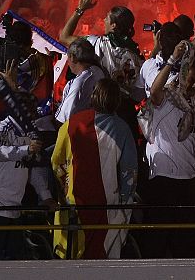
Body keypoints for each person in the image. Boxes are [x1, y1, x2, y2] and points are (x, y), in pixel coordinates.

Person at [137, 17, 195, 258]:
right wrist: (172, 59)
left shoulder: (194, 92)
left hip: (189, 174)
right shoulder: (158, 81)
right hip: (161, 173)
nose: (192, 83)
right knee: (157, 239)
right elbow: (154, 91)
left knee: (183, 243)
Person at [51, 78, 138, 259]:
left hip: (73, 206)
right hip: (107, 210)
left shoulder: (70, 125)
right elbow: (129, 174)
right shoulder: (122, 129)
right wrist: (124, 205)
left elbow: (56, 164)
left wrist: (65, 191)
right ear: (117, 100)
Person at [0, 64, 54, 260]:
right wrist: (25, 149)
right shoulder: (3, 129)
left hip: (14, 209)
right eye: (27, 108)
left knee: (16, 263)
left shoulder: (28, 133)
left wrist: (46, 196)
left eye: (32, 108)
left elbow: (32, 168)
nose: (31, 113)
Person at [59, 0, 144, 102]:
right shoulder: (136, 55)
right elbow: (138, 94)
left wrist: (80, 9)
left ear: (113, 25)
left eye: (107, 18)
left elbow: (64, 36)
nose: (104, 20)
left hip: (100, 105)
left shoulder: (95, 43)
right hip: (125, 110)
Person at [55, 38, 106, 126]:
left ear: (72, 57)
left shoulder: (79, 83)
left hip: (78, 133)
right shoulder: (98, 71)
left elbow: (63, 120)